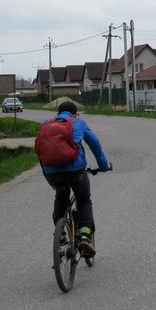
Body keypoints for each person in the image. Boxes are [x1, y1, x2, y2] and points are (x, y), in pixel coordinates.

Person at [41, 101, 110, 257]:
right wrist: (103, 165)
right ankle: (85, 235)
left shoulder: (47, 124)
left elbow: (40, 149)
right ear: (75, 113)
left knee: (61, 196)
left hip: (52, 171)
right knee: (83, 199)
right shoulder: (78, 122)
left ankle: (61, 234)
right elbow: (94, 143)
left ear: (58, 113)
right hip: (75, 170)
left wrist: (47, 172)